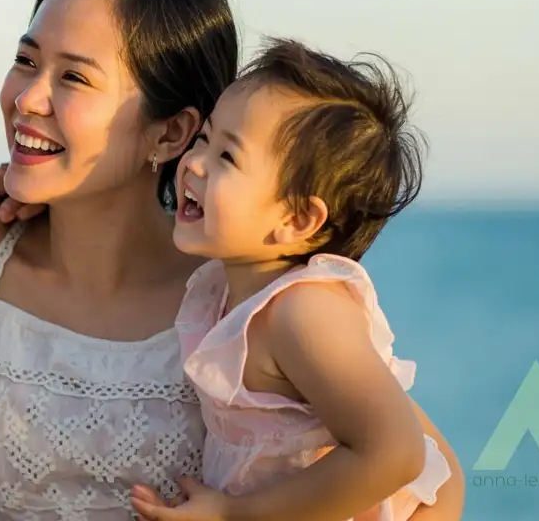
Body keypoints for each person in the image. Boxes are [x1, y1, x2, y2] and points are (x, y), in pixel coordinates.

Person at [0, 0, 464, 519]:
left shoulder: (245, 300)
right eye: (27, 60)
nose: (29, 98)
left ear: (170, 134)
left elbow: (433, 481)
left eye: (75, 79)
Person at [129, 38, 452, 521]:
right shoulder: (228, 284)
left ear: (299, 220)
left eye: (227, 158)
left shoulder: (304, 312)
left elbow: (400, 453)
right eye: (203, 140)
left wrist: (231, 515)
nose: (194, 163)